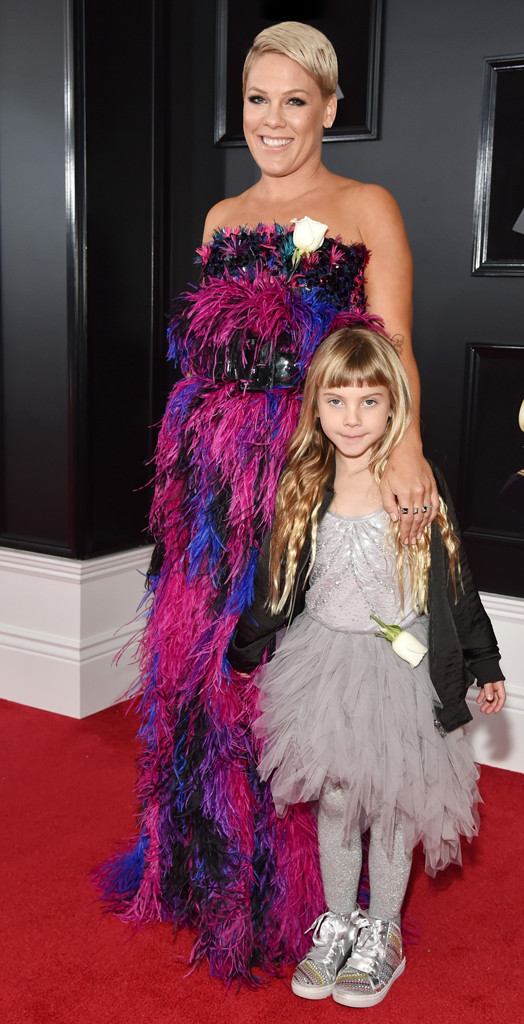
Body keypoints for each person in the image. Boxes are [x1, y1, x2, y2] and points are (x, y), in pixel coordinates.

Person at [97, 22, 439, 982]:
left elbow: (396, 347)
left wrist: (406, 453)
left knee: (307, 675)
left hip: (308, 475)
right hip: (210, 482)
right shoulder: (220, 217)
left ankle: (321, 902)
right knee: (214, 675)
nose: (274, 120)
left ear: (332, 108)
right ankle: (219, 874)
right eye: (257, 99)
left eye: (296, 100)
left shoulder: (368, 204)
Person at [227, 326, 506, 1007]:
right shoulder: (303, 483)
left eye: (370, 402)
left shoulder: (413, 482)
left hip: (399, 670)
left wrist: (484, 659)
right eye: (336, 401)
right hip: (321, 664)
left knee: (392, 801)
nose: (352, 418)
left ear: (394, 407)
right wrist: (244, 649)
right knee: (339, 800)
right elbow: (276, 586)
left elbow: (455, 582)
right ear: (315, 408)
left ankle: (383, 932)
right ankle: (339, 925)